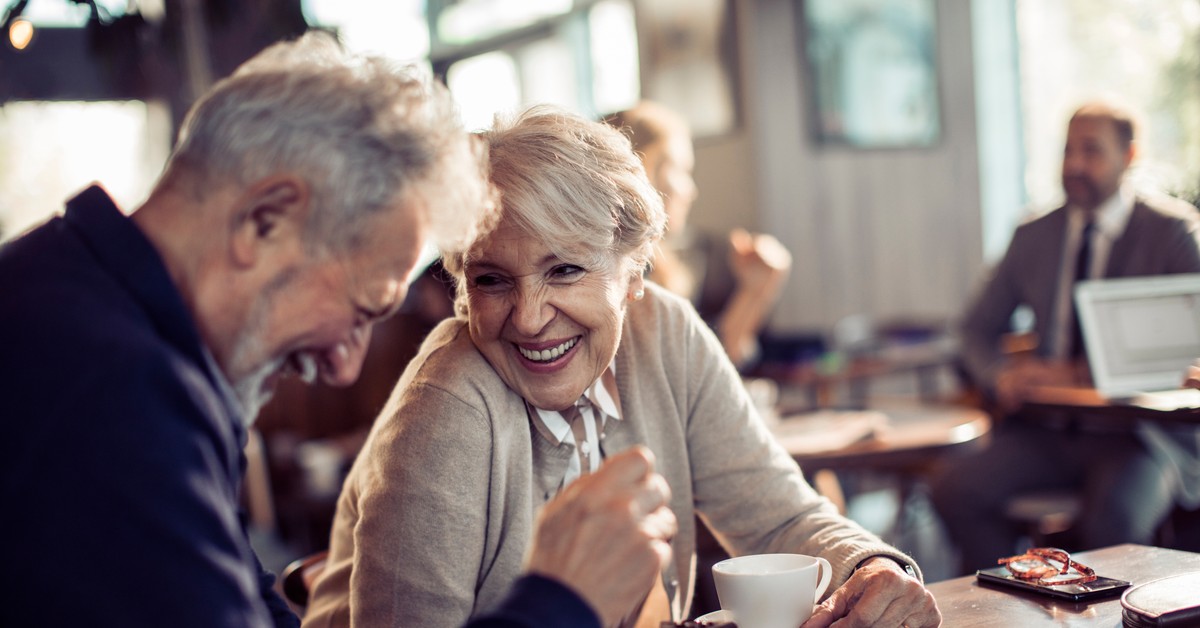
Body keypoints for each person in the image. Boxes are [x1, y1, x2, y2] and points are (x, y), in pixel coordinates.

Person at [0, 33, 674, 628]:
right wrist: (561, 598)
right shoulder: (111, 396)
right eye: (362, 309)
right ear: (266, 221)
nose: (346, 367)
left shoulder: (81, 300)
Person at [304, 105, 941, 628]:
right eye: (493, 280)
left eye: (564, 270)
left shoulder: (666, 332)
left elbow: (778, 515)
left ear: (633, 272)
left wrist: (870, 569)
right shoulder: (447, 402)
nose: (527, 318)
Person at [932, 100, 1200, 574]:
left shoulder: (1172, 233)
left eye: (1091, 151)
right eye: (1068, 150)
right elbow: (974, 329)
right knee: (956, 489)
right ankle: (1011, 608)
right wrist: (999, 375)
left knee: (1112, 525)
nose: (1074, 165)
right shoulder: (1034, 233)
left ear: (1129, 156)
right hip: (1048, 429)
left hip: (1138, 434)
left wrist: (1081, 372)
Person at [605, 101, 791, 370]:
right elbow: (688, 377)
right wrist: (754, 295)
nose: (690, 191)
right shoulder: (620, 276)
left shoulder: (662, 266)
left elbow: (705, 369)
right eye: (681, 171)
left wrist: (755, 291)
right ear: (642, 172)